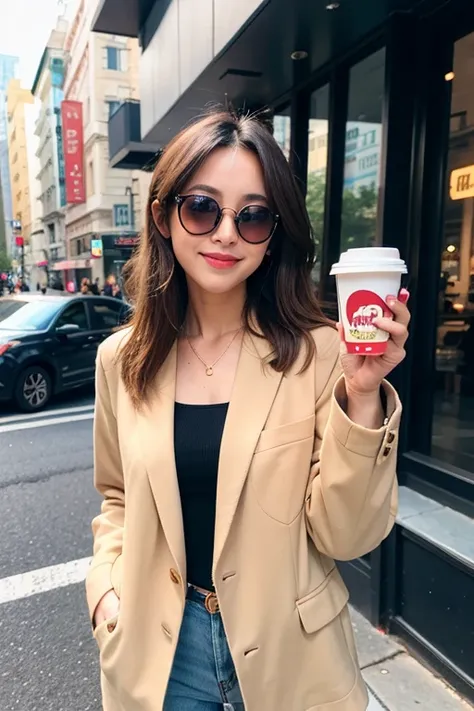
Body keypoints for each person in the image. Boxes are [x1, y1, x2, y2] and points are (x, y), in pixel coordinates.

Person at [87, 111, 409, 711]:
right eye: (203, 208)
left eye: (253, 215)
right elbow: (116, 498)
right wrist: (105, 591)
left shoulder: (321, 352)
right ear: (163, 215)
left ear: (274, 231)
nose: (227, 233)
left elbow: (347, 535)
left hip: (295, 662)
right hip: (162, 660)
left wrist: (363, 395)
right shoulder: (121, 359)